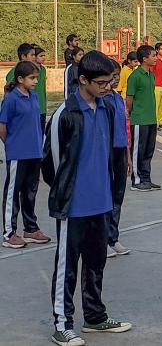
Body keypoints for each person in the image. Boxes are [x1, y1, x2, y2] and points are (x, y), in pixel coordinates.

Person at [41, 51, 133, 345]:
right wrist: (67, 192)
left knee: (96, 262)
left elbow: (107, 151)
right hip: (74, 205)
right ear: (83, 80)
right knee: (67, 266)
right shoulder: (64, 115)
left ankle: (94, 317)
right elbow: (50, 163)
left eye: (111, 82)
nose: (109, 87)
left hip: (101, 201)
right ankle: (62, 323)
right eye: (103, 83)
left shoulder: (105, 108)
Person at [1, 60, 48, 249]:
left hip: (34, 152)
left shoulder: (34, 97)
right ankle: (8, 232)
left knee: (30, 192)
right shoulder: (11, 99)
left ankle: (30, 228)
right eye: (32, 78)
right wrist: (12, 144)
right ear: (20, 79)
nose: (35, 81)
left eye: (36, 77)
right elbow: (2, 127)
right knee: (13, 192)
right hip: (18, 153)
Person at [105, 59, 131, 259]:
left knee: (117, 197)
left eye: (117, 76)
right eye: (112, 76)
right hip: (105, 153)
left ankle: (112, 237)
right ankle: (101, 239)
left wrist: (128, 156)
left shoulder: (117, 98)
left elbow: (123, 128)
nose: (115, 81)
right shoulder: (101, 100)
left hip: (120, 152)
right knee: (104, 198)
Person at [126, 45, 160, 192]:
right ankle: (137, 180)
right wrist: (130, 113)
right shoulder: (135, 76)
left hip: (151, 119)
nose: (156, 58)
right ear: (144, 59)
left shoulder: (151, 75)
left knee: (148, 151)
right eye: (153, 55)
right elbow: (129, 98)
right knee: (138, 151)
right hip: (139, 119)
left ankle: (146, 178)